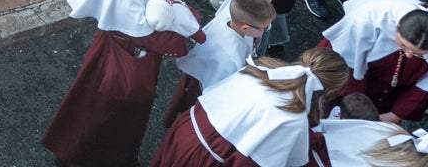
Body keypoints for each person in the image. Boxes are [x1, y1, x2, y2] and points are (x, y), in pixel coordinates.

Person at [42, 0, 203, 167]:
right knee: (109, 109)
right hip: (124, 54)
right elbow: (139, 29)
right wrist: (180, 38)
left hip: (125, 50)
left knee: (108, 106)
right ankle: (84, 156)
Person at [150, 50, 350, 167]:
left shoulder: (263, 68)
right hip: (207, 159)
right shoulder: (293, 116)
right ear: (329, 90)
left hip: (187, 130)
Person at [321, 0, 428, 121]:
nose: (409, 55)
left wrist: (391, 116)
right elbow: (344, 65)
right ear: (397, 26)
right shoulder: (365, 21)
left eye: (419, 54)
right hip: (349, 74)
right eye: (404, 46)